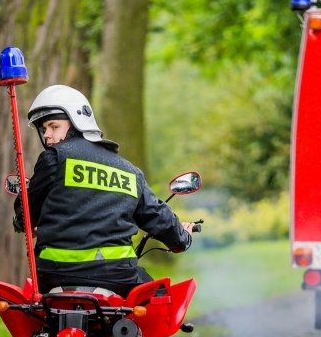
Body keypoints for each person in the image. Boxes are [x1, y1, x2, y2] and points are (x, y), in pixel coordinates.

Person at [13, 84, 194, 297]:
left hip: (54, 275)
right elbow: (156, 215)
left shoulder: (54, 159)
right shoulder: (129, 171)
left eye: (54, 126)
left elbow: (25, 213)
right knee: (159, 299)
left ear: (77, 122)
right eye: (44, 129)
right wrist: (182, 237)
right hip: (118, 277)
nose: (47, 135)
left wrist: (24, 221)